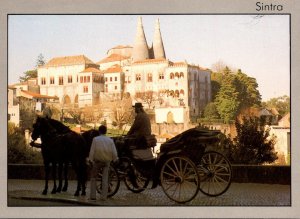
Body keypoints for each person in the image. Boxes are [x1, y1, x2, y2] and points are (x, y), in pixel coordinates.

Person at [87, 125, 118, 200]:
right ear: (106, 131)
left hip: (97, 162)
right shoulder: (110, 140)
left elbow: (92, 151)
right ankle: (103, 197)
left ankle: (93, 196)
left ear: (99, 131)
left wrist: (90, 160)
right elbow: (114, 152)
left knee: (93, 178)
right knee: (105, 179)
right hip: (107, 161)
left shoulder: (95, 139)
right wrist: (115, 159)